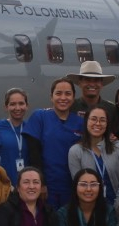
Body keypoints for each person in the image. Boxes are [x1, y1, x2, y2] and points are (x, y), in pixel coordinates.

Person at [25, 78, 84, 210]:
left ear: (74, 98)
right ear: (51, 97)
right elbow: (34, 153)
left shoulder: (80, 123)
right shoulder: (40, 117)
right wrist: (41, 183)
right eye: (58, 93)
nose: (63, 98)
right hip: (47, 185)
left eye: (68, 94)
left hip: (70, 186)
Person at [68, 106, 119, 205]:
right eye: (93, 119)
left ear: (107, 124)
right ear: (86, 122)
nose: (98, 123)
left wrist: (118, 205)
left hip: (118, 205)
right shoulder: (75, 151)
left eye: (102, 120)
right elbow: (79, 184)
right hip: (89, 207)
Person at [69, 61, 119, 135]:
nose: (92, 84)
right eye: (87, 80)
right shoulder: (70, 107)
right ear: (80, 83)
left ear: (101, 84)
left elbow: (116, 135)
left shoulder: (112, 110)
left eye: (96, 80)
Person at [0, 88, 31, 184]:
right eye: (13, 104)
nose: (17, 108)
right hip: (4, 185)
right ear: (6, 107)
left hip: (27, 185)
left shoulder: (32, 128)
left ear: (27, 106)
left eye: (21, 103)